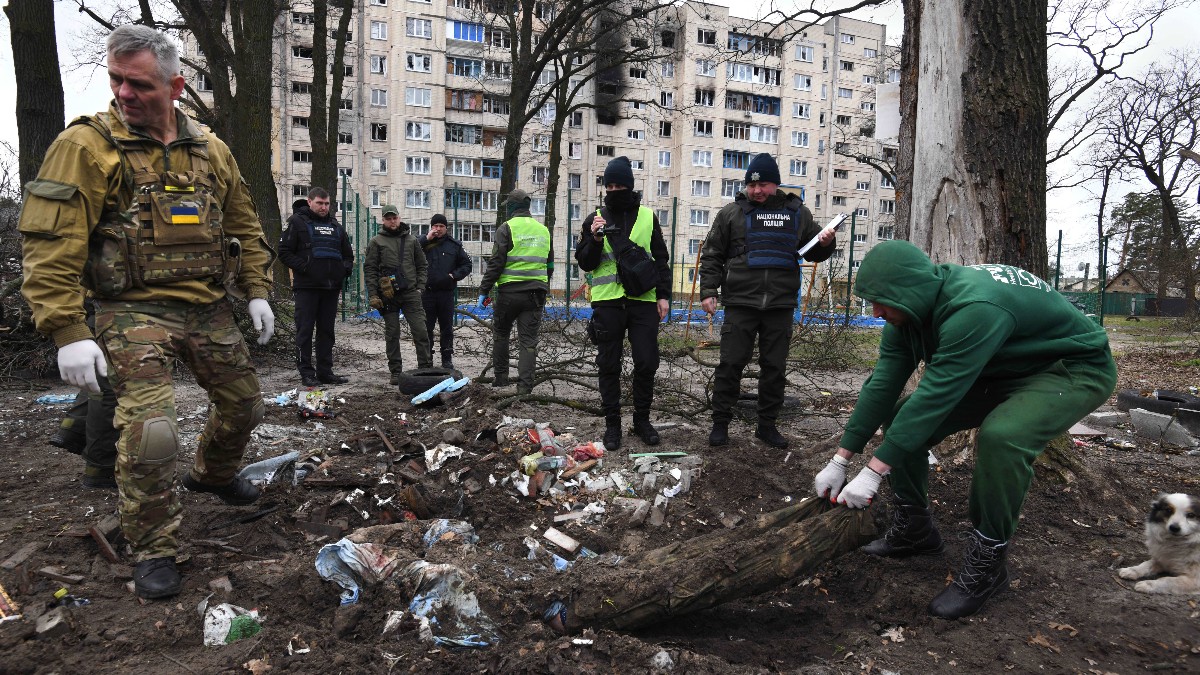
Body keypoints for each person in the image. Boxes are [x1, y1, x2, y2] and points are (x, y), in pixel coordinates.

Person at [18, 25, 276, 599]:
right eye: (116, 81)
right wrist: (67, 329)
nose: (124, 94)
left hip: (207, 307)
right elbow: (51, 243)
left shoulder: (210, 150)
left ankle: (211, 476)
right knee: (153, 431)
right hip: (131, 311)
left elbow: (243, 225)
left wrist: (257, 289)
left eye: (138, 84)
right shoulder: (85, 147)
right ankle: (155, 546)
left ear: (175, 86)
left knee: (246, 407)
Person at [812, 240, 1117, 619]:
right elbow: (882, 385)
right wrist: (841, 459)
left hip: (1068, 368)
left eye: (881, 301)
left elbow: (937, 395)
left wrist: (873, 473)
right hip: (1001, 366)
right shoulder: (907, 314)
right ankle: (915, 529)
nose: (875, 312)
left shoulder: (973, 308)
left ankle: (989, 562)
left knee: (1003, 437)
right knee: (901, 416)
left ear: (908, 289)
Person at [699, 153, 835, 449]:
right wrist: (708, 291)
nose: (757, 190)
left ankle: (766, 426)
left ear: (776, 184)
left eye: (763, 184)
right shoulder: (731, 213)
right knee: (730, 364)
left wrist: (827, 243)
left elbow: (814, 251)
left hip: (780, 305)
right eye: (752, 184)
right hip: (740, 302)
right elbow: (712, 254)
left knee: (774, 367)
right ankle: (720, 424)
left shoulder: (798, 213)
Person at [574, 156, 672, 450]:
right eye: (610, 185)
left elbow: (661, 260)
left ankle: (642, 421)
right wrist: (593, 238)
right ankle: (613, 426)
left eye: (620, 185)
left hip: (643, 302)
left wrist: (664, 296)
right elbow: (586, 264)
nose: (614, 190)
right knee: (608, 365)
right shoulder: (595, 219)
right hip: (608, 303)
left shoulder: (647, 217)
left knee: (646, 361)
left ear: (630, 186)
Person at [477, 189, 550, 395]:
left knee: (501, 333)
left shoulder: (506, 228)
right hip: (535, 294)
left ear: (511, 207)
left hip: (509, 293)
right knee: (528, 341)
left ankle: (501, 379)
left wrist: (484, 289)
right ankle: (525, 387)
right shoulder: (543, 230)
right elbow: (549, 264)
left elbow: (497, 262)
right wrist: (542, 285)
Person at [279, 187, 354, 387]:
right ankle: (306, 372)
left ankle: (325, 372)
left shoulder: (336, 226)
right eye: (320, 203)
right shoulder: (296, 223)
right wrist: (305, 267)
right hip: (307, 288)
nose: (323, 207)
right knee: (304, 331)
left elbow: (348, 255)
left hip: (330, 289)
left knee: (326, 332)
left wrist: (343, 270)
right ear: (310, 202)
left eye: (327, 203)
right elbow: (284, 252)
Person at [49, 299, 120, 489]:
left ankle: (73, 429)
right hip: (117, 314)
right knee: (109, 390)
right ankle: (102, 467)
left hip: (96, 312)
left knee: (101, 381)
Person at [365, 205, 431, 384]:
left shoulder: (412, 240)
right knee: (392, 333)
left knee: (420, 330)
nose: (392, 221)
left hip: (411, 293)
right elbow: (370, 269)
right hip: (388, 295)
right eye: (388, 218)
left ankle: (425, 368)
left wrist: (420, 287)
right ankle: (395, 372)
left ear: (399, 218)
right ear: (383, 220)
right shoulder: (376, 242)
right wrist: (373, 294)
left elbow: (422, 265)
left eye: (394, 218)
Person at [419, 213, 472, 370]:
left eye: (441, 226)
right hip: (426, 293)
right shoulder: (423, 243)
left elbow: (467, 265)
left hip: (446, 294)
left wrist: (454, 275)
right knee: (426, 328)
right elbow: (410, 252)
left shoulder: (454, 245)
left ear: (446, 228)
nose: (438, 229)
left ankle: (446, 359)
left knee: (446, 328)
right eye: (435, 226)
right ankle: (427, 358)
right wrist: (426, 239)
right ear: (431, 227)